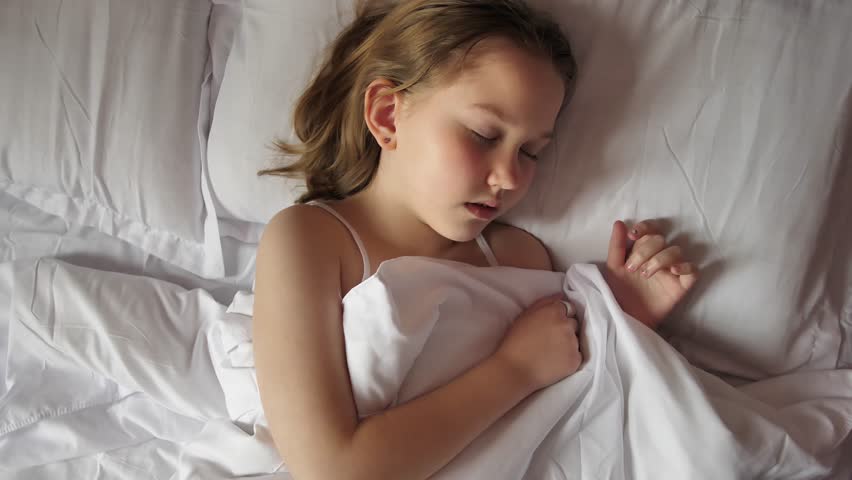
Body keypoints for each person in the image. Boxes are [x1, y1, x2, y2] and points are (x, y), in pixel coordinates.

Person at [252, 1, 698, 479]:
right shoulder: (310, 241)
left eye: (530, 152)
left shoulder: (518, 256)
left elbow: (565, 416)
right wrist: (514, 370)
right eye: (484, 135)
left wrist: (620, 318)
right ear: (387, 116)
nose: (509, 177)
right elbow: (333, 469)